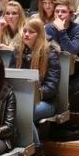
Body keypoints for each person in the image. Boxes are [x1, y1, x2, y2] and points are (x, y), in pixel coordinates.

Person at [14, 18, 61, 147]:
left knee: (23, 114)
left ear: (39, 34)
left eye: (31, 32)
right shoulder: (18, 52)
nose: (26, 34)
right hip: (21, 100)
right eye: (25, 31)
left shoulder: (50, 54)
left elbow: (51, 87)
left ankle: (36, 152)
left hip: (46, 102)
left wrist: (33, 95)